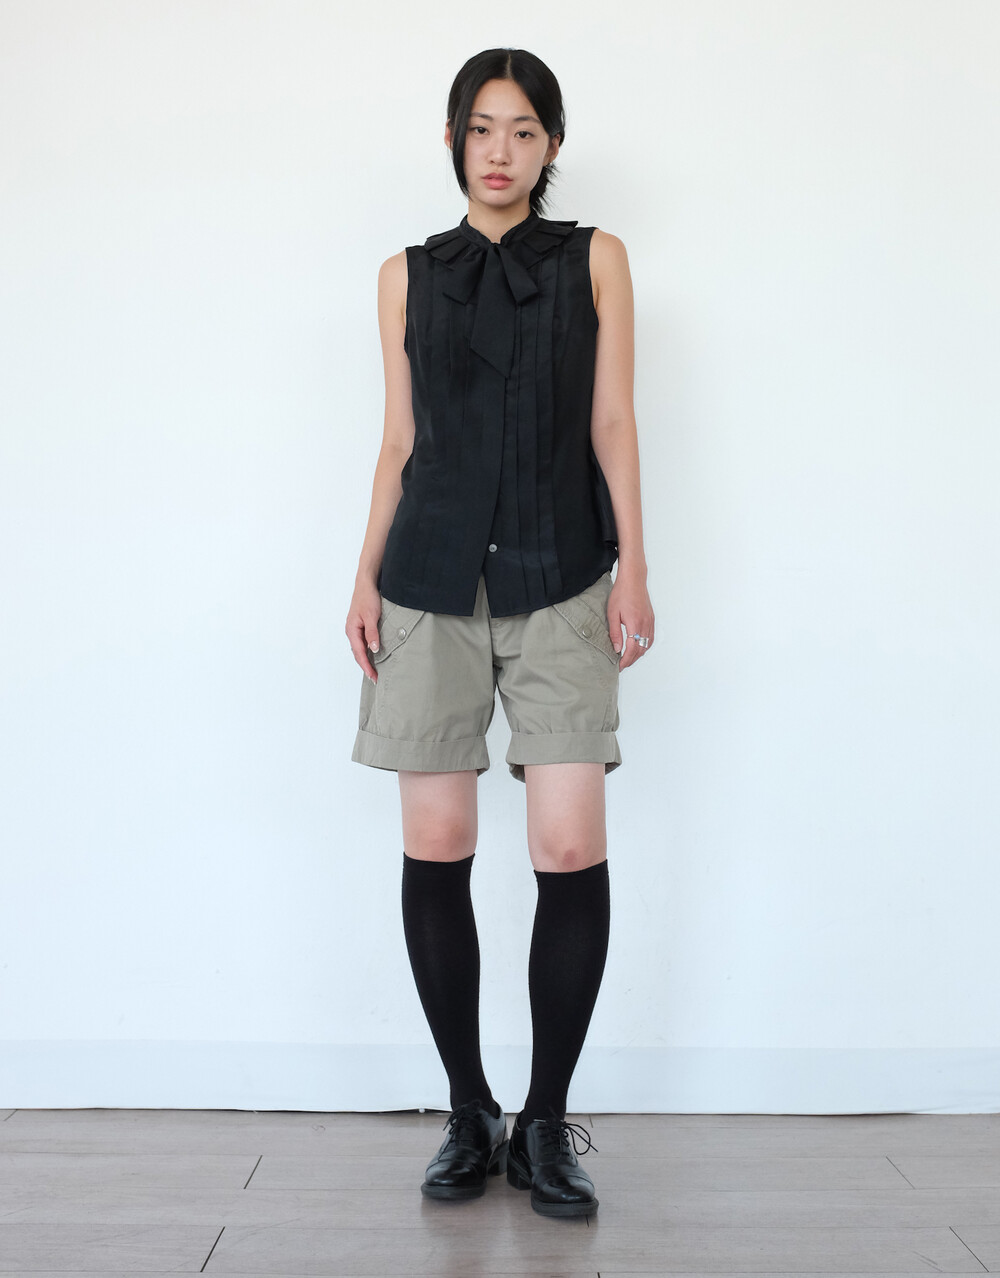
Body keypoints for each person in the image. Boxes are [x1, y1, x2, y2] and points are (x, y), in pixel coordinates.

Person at [345, 47, 653, 1220]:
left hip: (563, 576)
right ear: (451, 139)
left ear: (552, 146)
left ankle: (545, 1124)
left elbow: (614, 420)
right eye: (482, 128)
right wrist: (363, 578)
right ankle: (468, 1111)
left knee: (567, 847)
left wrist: (634, 569)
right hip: (426, 582)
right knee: (438, 843)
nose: (501, 151)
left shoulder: (595, 259)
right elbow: (398, 442)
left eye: (524, 130)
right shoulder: (403, 276)